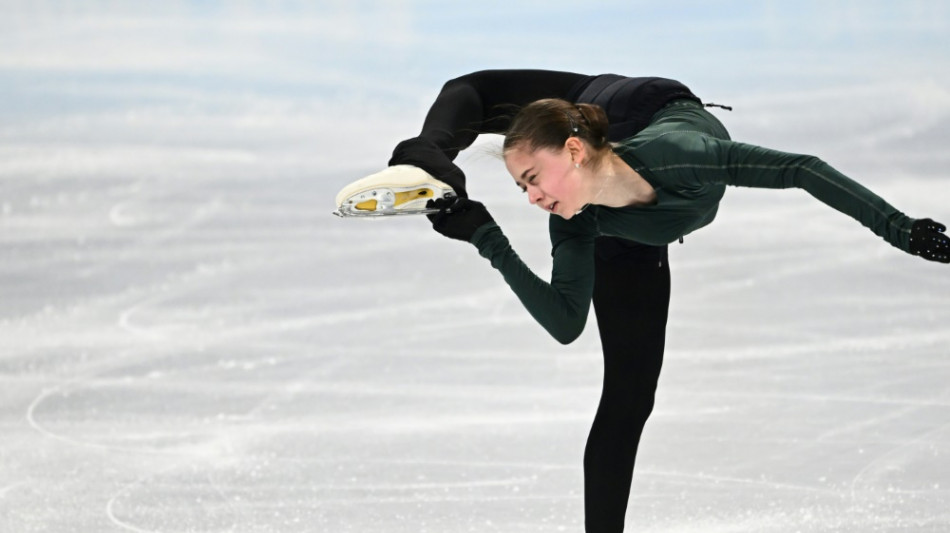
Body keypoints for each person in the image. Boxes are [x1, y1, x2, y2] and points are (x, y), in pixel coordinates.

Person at [381, 69, 949, 532]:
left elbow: (801, 169)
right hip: (610, 204)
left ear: (574, 151)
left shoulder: (682, 154)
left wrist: (902, 231)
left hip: (635, 106)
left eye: (533, 180)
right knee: (628, 395)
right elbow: (564, 323)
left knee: (632, 394)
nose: (531, 199)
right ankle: (426, 155)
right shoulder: (576, 223)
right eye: (521, 189)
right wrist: (485, 235)